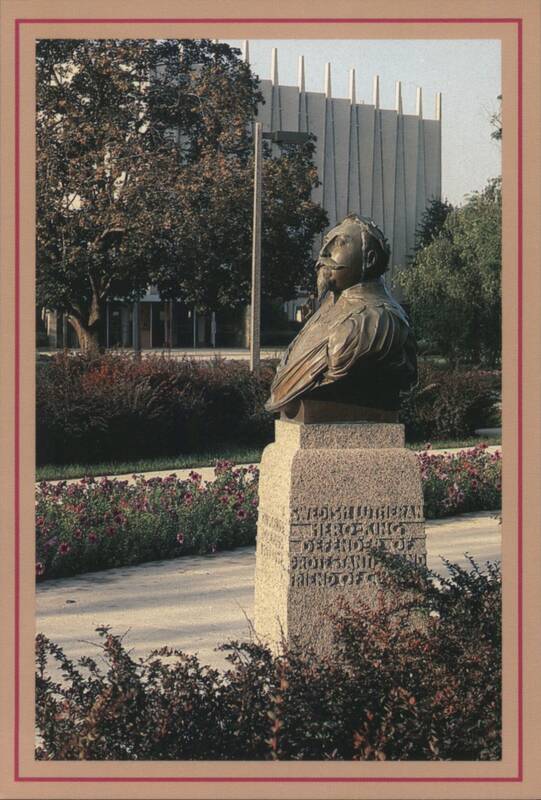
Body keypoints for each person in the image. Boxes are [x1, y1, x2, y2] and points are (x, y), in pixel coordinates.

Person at [265, 214, 417, 420]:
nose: (323, 253)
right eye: (325, 243)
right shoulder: (325, 314)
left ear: (369, 259)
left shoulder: (377, 321)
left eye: (340, 244)